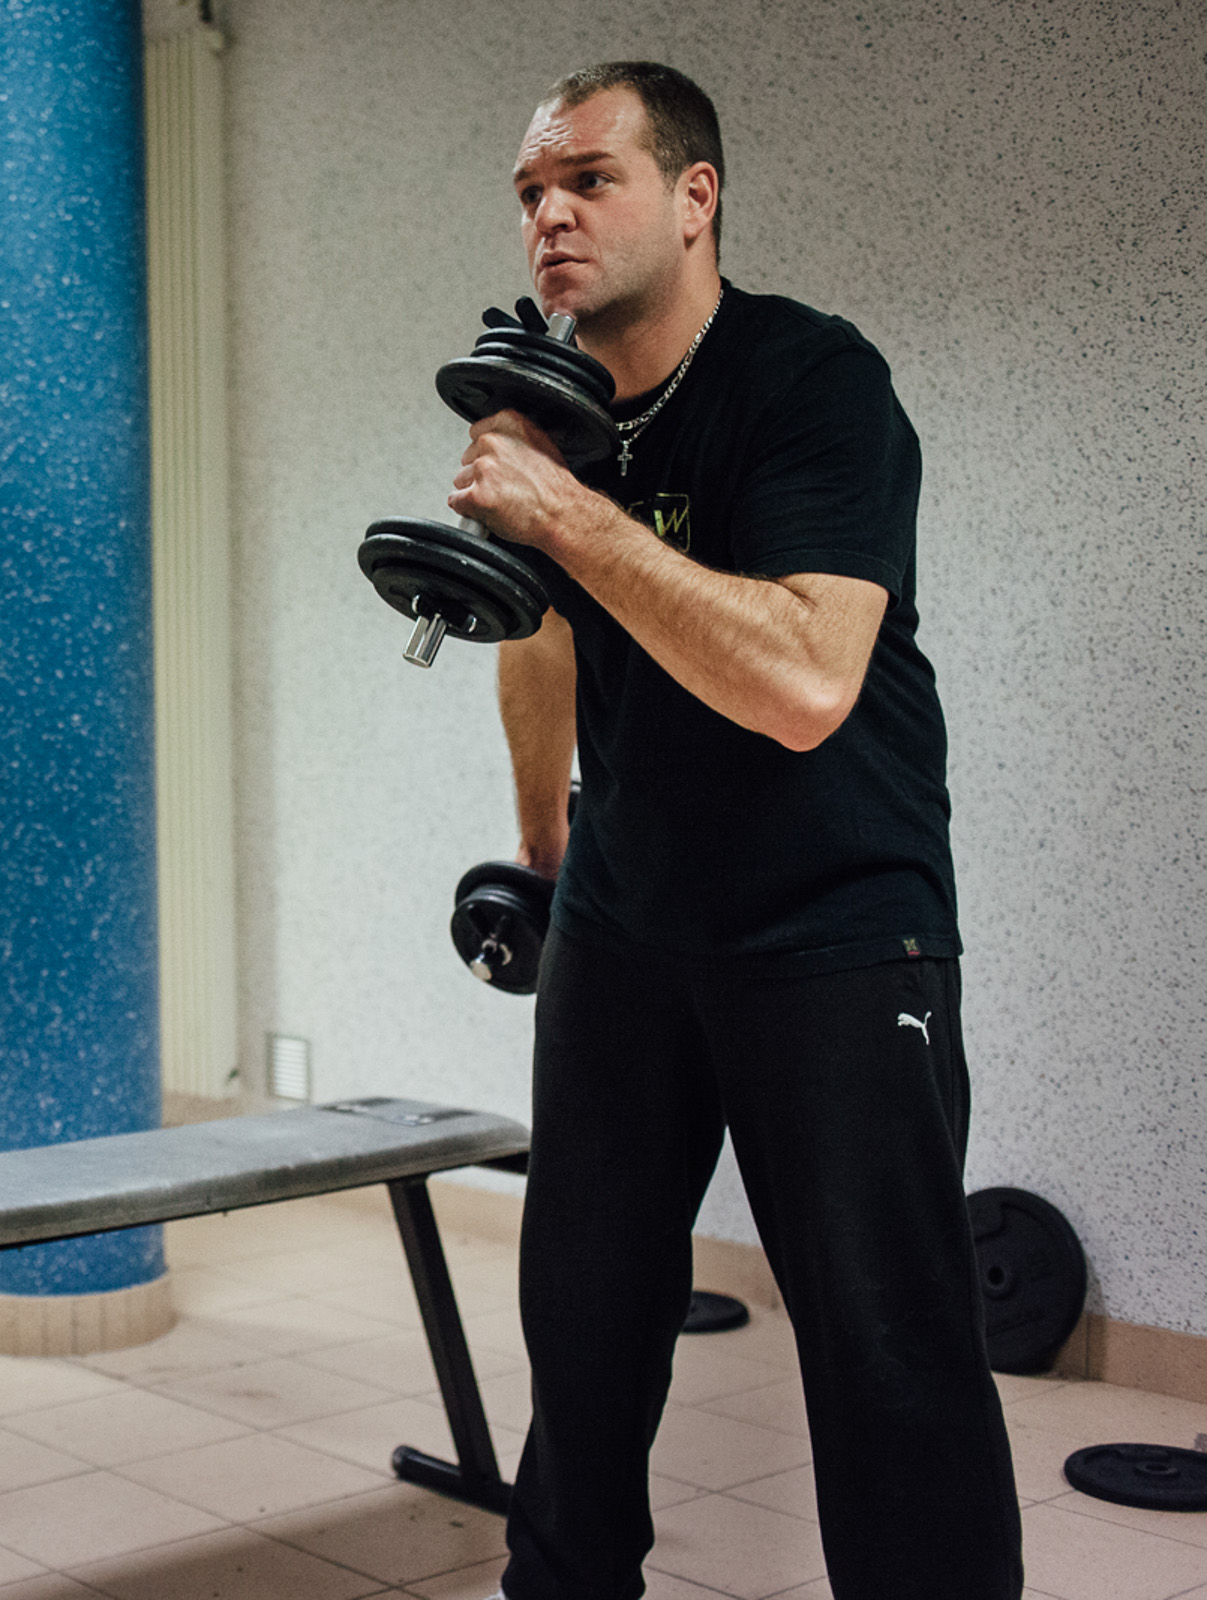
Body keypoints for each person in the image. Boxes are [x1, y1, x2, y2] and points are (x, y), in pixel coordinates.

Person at [450, 63, 1022, 1598]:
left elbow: (799, 682)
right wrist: (541, 858)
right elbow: (543, 636)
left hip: (833, 928)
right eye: (527, 194)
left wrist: (563, 509)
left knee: (886, 1352)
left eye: (586, 178)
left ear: (692, 198)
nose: (549, 217)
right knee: (577, 1335)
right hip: (625, 924)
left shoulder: (809, 378)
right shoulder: (562, 406)